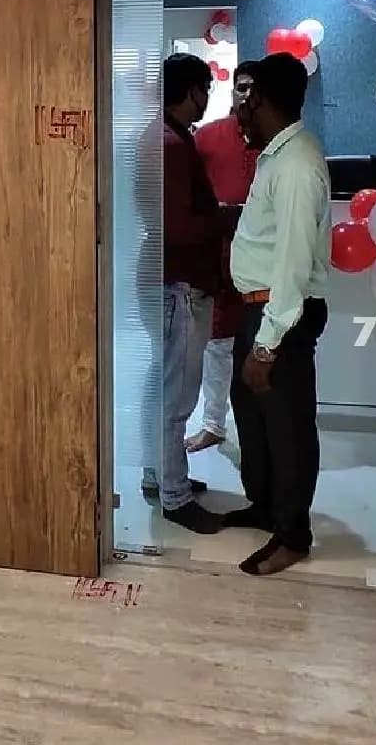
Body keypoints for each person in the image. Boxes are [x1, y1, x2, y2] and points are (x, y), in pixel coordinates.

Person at [226, 53, 332, 576]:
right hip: (262, 310)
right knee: (252, 413)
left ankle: (292, 533)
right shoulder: (276, 156)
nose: (237, 110)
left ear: (260, 98)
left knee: (287, 426)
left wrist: (267, 343)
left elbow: (291, 261)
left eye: (244, 98)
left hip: (280, 314)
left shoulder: (296, 163)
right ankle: (266, 505)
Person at [139, 54, 232, 534]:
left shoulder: (165, 137)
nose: (210, 96)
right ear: (191, 90)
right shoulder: (170, 144)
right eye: (206, 88)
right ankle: (174, 496)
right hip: (176, 281)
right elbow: (177, 227)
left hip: (165, 277)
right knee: (176, 396)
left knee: (162, 385)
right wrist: (227, 218)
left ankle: (161, 477)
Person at [185, 62, 259, 453]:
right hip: (217, 258)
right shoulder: (208, 137)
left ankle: (258, 429)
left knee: (261, 343)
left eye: (254, 89)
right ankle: (212, 421)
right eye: (241, 87)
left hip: (265, 265)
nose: (247, 96)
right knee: (216, 343)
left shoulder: (275, 143)